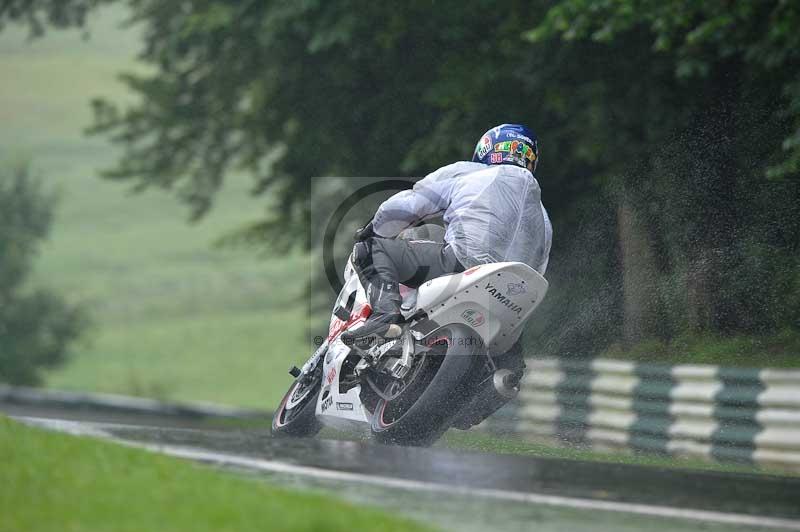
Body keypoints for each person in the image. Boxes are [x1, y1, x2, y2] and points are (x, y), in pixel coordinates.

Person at [342, 123, 552, 343]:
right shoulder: (544, 217)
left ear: (486, 150)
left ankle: (385, 316)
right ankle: (509, 367)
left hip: (462, 264)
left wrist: (376, 228)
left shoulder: (471, 172)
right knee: (507, 358)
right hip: (513, 296)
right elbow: (538, 269)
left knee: (371, 250)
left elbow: (412, 203)